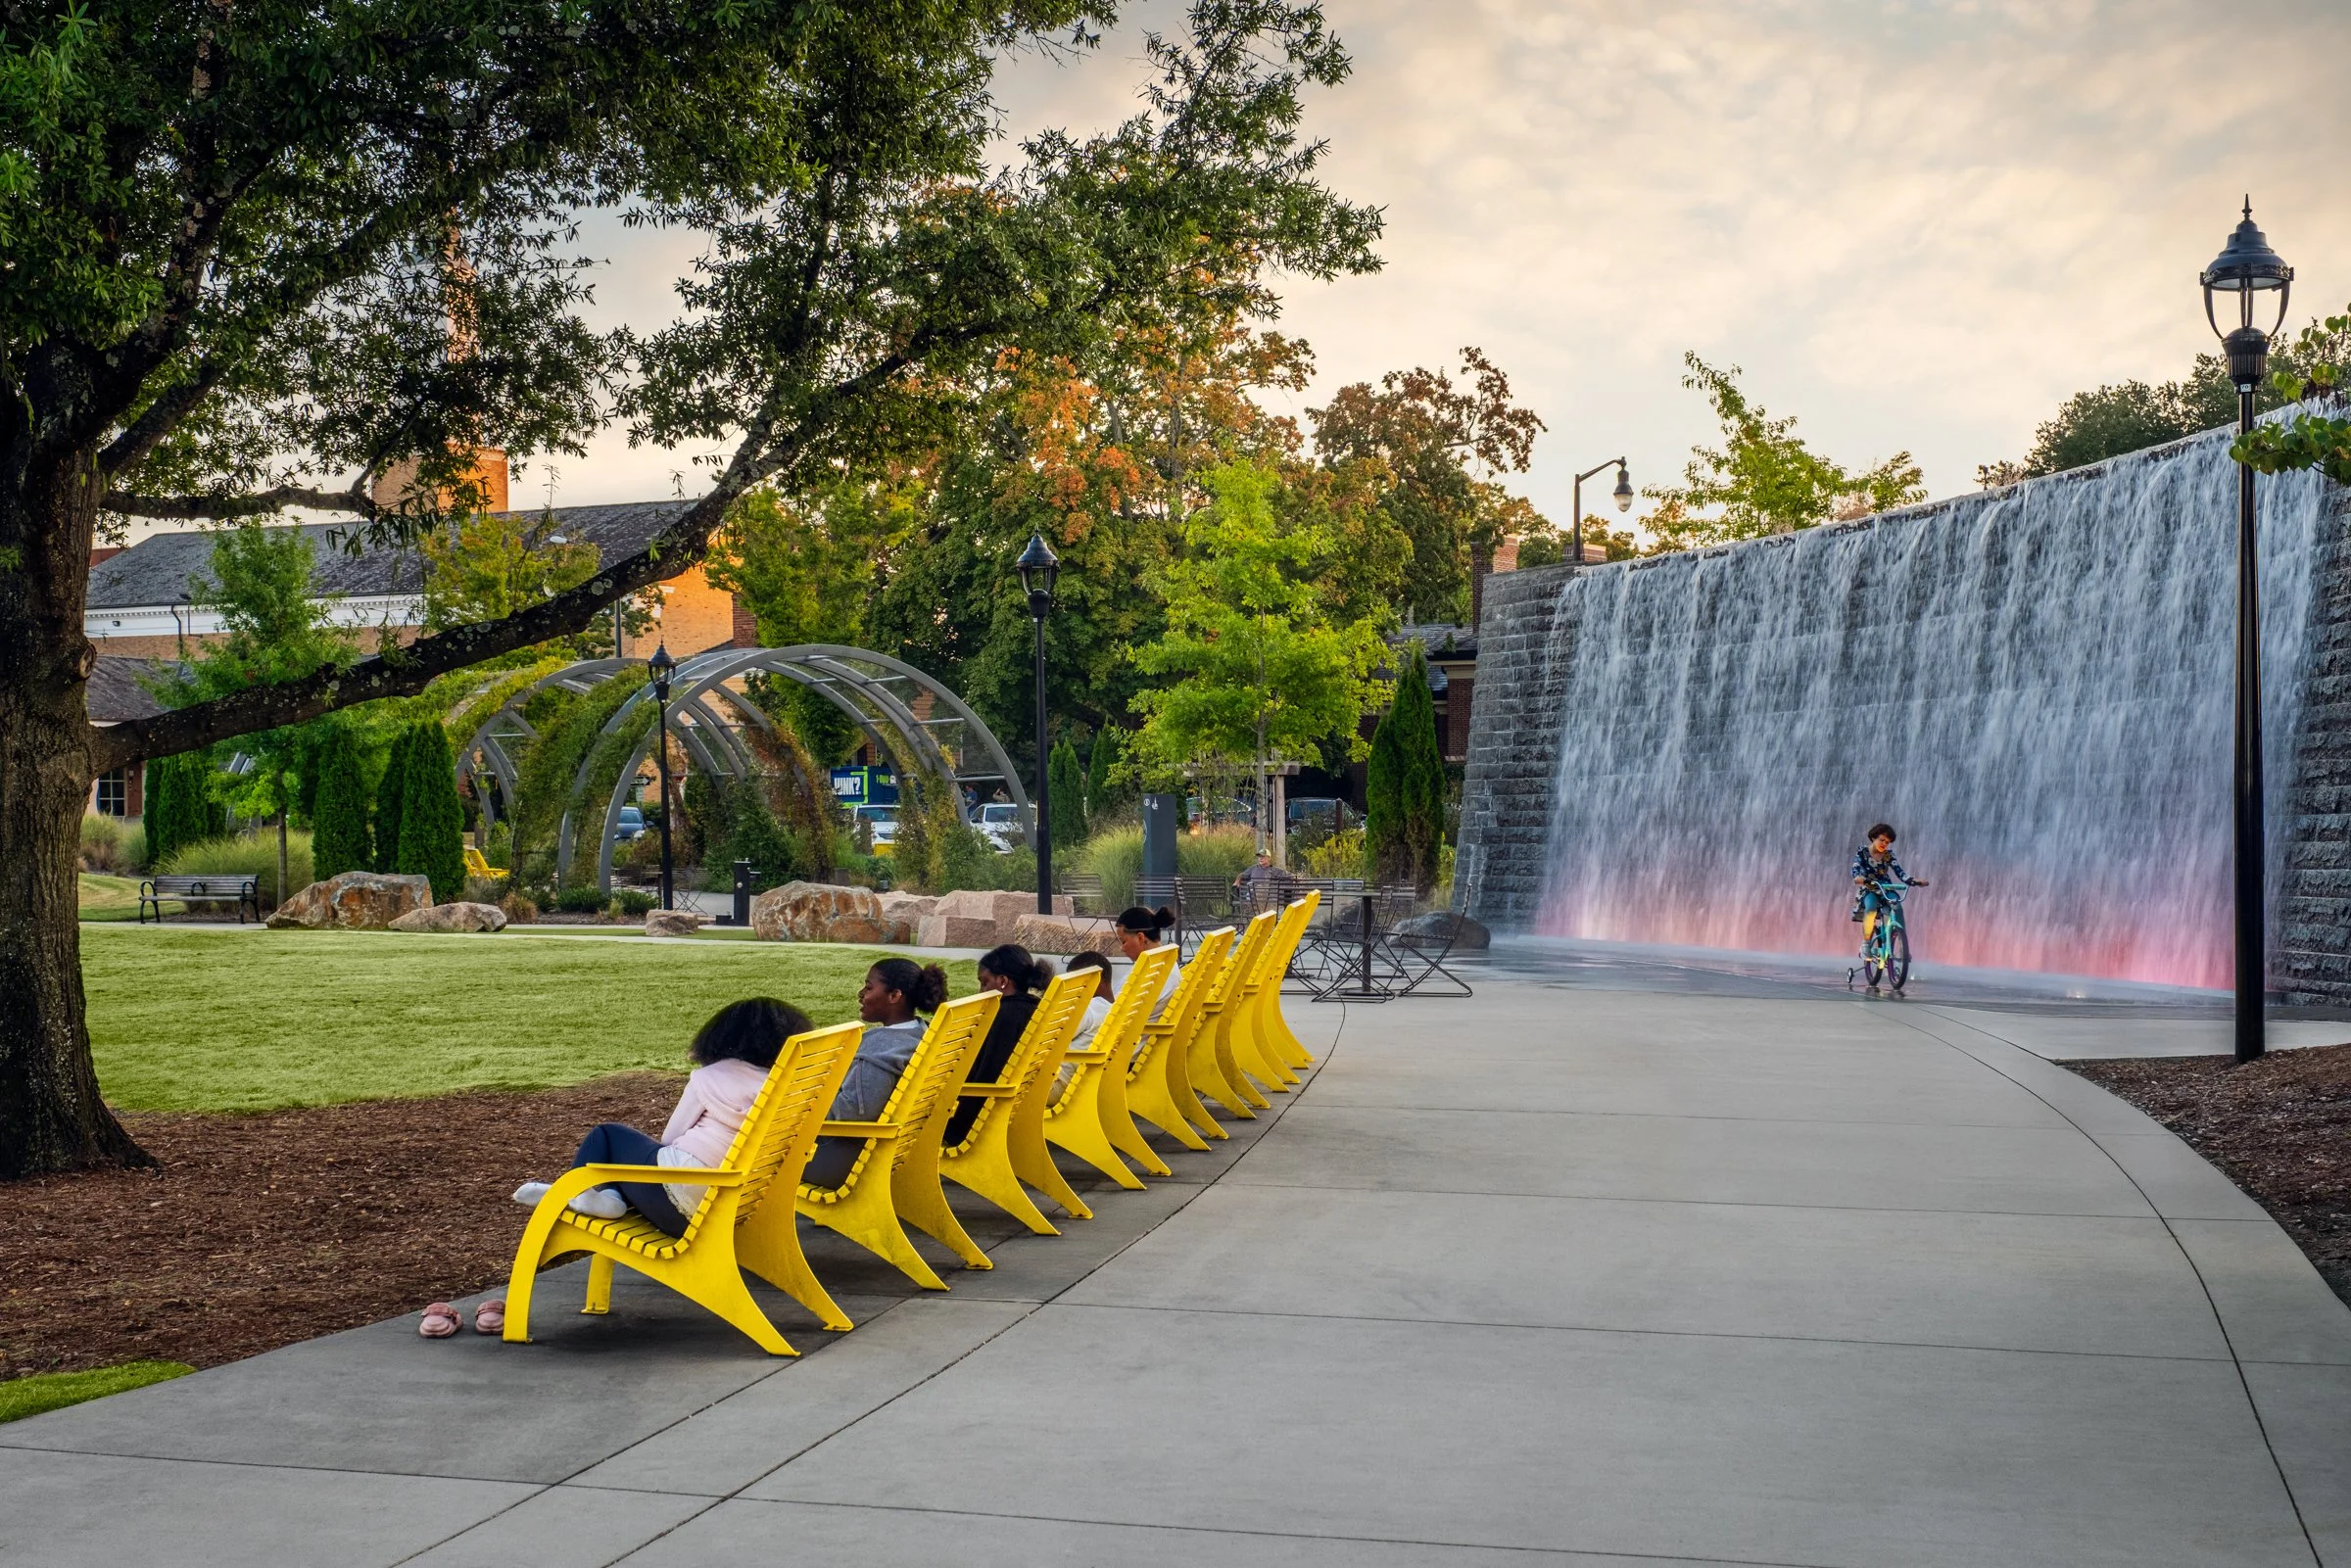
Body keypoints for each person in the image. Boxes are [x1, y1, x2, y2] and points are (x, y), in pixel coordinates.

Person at [510, 997, 815, 1238]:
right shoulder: (781, 1088)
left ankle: (575, 1193)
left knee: (608, 1136)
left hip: (679, 1199)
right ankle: (608, 1199)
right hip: (738, 1203)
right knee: (636, 1162)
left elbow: (670, 1138)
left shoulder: (708, 1077)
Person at [801, 958, 950, 1189]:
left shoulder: (881, 1047)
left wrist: (805, 1103)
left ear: (894, 996)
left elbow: (855, 1112)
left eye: (869, 988)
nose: (861, 994)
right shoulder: (924, 1031)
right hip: (899, 1154)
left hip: (844, 1162)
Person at [943, 944, 1054, 1145]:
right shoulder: (1036, 1008)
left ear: (1003, 981)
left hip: (977, 1122)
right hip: (1019, 1106)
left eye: (984, 982)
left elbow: (988, 1072)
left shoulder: (1004, 1016)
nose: (980, 991)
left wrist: (954, 1125)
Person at [1849, 823, 1929, 927]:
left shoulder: (1889, 855)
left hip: (1886, 887)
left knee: (1897, 907)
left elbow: (1900, 873)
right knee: (1871, 908)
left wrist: (1914, 881)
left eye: (1887, 842)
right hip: (1869, 887)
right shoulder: (1862, 852)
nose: (1884, 844)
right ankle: (1867, 941)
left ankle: (1901, 937)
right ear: (1873, 838)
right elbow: (1856, 866)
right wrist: (1857, 877)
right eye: (1882, 840)